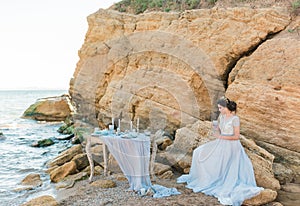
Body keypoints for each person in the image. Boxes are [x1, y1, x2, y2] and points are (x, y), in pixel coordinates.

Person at [177, 96, 263, 206]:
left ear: (226, 107)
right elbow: (217, 133)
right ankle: (203, 177)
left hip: (232, 145)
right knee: (198, 152)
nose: (219, 110)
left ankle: (218, 180)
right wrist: (215, 127)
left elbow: (236, 136)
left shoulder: (235, 119)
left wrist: (221, 137)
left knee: (220, 161)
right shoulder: (222, 117)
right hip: (221, 143)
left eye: (220, 108)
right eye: (218, 108)